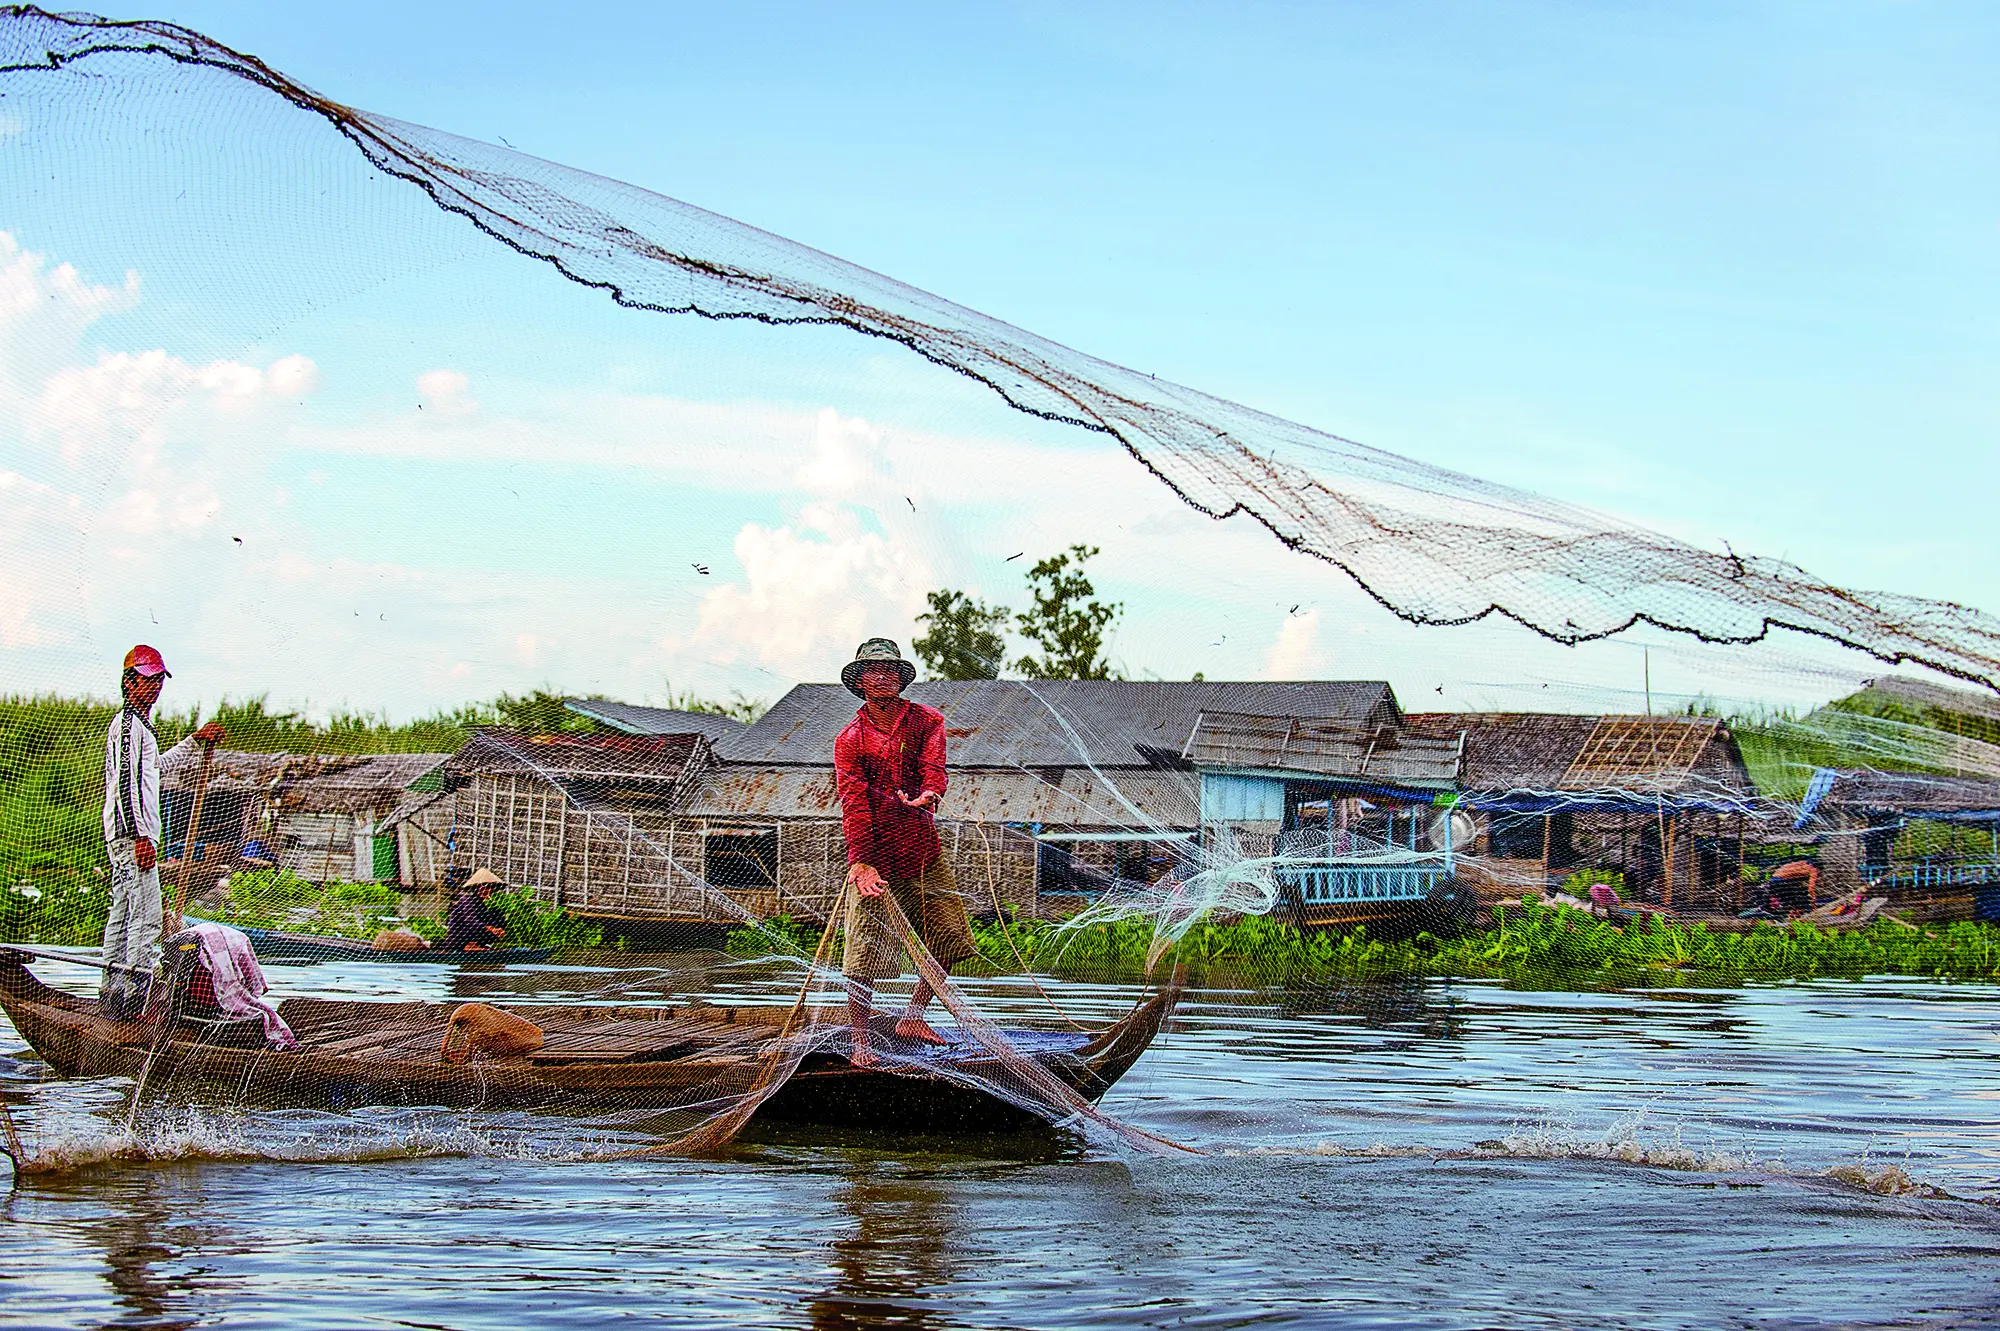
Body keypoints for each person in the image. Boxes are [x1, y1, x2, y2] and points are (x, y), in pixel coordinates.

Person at [832, 637, 976, 1068]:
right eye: (873, 671)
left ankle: (912, 1016)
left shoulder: (926, 720)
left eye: (890, 670)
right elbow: (853, 801)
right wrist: (860, 862)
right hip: (873, 854)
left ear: (901, 678)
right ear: (860, 681)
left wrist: (931, 793)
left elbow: (934, 767)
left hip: (920, 846)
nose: (883, 677)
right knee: (863, 951)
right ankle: (860, 1040)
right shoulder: (850, 740)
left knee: (949, 936)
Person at [100, 645, 176, 1019]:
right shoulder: (129, 725)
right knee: (146, 915)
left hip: (129, 835)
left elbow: (153, 770)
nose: (155, 687)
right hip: (132, 836)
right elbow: (126, 786)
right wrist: (142, 836)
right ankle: (134, 998)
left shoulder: (141, 727)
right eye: (148, 680)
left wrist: (194, 743)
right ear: (130, 684)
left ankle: (112, 993)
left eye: (159, 679)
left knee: (124, 908)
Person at [444, 866, 509, 951]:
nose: (487, 890)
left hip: (476, 935)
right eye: (484, 887)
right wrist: (490, 928)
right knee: (477, 924)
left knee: (497, 913)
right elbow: (471, 921)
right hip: (458, 941)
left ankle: (479, 944)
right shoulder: (467, 900)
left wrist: (498, 929)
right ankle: (469, 945)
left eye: (490, 887)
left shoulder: (484, 904)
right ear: (476, 888)